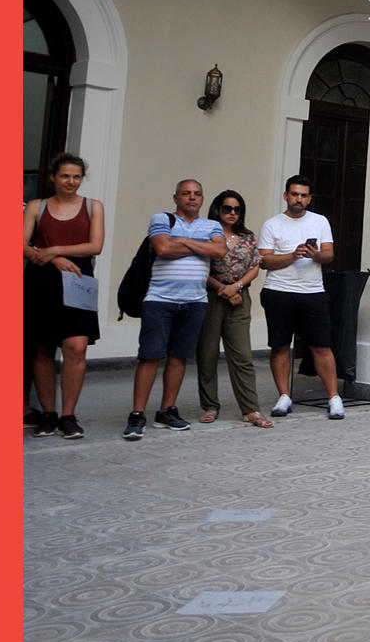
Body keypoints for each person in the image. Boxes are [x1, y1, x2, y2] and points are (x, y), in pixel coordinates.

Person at [127, 179, 225, 441]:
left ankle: (166, 410)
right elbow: (162, 247)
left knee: (179, 357)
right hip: (160, 300)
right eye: (186, 194)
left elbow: (219, 250)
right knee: (149, 356)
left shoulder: (212, 225)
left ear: (203, 199)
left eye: (197, 194)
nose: (192, 198)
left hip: (195, 301)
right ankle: (137, 414)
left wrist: (181, 241)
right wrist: (197, 245)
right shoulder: (162, 219)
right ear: (176, 197)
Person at [23, 153, 104, 439]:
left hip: (78, 282)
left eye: (76, 176)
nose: (71, 181)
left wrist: (55, 251)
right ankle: (48, 414)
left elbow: (95, 246)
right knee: (42, 348)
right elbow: (22, 245)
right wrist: (51, 260)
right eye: (65, 176)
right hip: (41, 283)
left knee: (76, 347)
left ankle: (68, 415)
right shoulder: (36, 206)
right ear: (53, 177)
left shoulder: (93, 207)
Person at [258, 175, 345, 419]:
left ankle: (334, 398)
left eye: (303, 195)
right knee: (280, 345)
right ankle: (284, 396)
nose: (299, 199)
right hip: (279, 291)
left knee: (321, 346)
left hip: (312, 292)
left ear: (309, 198)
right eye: (294, 194)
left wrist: (315, 255)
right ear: (286, 196)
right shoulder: (272, 224)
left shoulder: (320, 221)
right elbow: (264, 260)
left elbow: (329, 255)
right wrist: (293, 255)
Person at [196, 190, 271, 428]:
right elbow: (199, 267)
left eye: (237, 210)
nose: (232, 213)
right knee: (207, 354)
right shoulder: (205, 233)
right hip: (211, 295)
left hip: (240, 297)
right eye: (227, 209)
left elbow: (255, 266)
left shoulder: (247, 237)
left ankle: (250, 409)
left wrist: (236, 287)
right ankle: (210, 406)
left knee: (242, 356)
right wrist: (222, 289)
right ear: (217, 209)